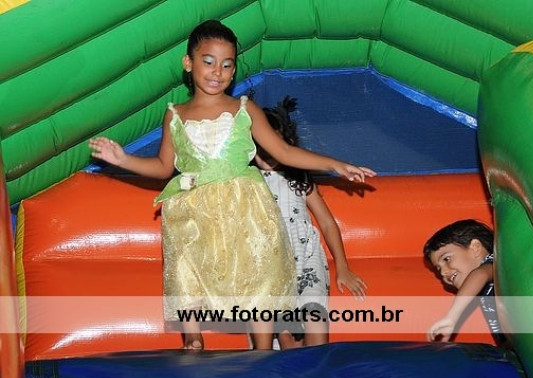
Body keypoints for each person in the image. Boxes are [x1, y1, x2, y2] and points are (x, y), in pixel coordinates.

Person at [89, 20, 375, 351]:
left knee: (259, 270)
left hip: (245, 206)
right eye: (208, 61)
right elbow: (163, 167)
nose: (217, 72)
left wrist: (335, 164)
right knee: (184, 261)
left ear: (234, 69)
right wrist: (123, 159)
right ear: (188, 63)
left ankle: (263, 349)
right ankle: (193, 337)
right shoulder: (175, 115)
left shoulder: (244, 109)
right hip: (195, 203)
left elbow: (284, 152)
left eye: (227, 65)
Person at [253, 96, 367, 349]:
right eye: (261, 149)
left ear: (287, 144)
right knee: (285, 331)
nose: (268, 156)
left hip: (307, 258)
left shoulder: (299, 178)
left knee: (315, 318)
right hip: (270, 264)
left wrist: (342, 266)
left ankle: (317, 366)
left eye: (275, 147)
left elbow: (326, 222)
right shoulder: (248, 181)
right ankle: (284, 357)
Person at [423, 219, 505, 345]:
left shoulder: (496, 264)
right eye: (438, 269)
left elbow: (480, 274)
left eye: (446, 259)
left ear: (475, 248)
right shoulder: (484, 290)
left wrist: (452, 317)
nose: (443, 272)